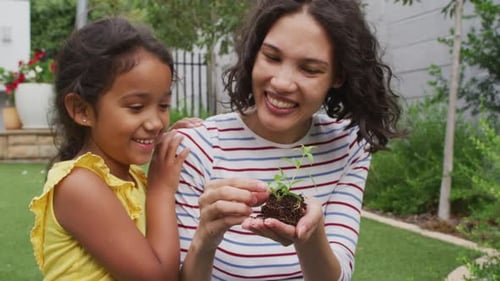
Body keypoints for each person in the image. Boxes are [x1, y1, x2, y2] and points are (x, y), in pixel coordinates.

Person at [174, 0, 403, 280]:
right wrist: (205, 239)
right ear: (254, 54)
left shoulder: (348, 145)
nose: (282, 83)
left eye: (309, 69)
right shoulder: (196, 147)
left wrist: (310, 235)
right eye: (272, 57)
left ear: (338, 76)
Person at [29, 17, 190, 281]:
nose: (155, 123)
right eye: (136, 107)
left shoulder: (133, 179)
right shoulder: (79, 185)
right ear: (82, 110)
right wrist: (161, 189)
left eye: (162, 106)